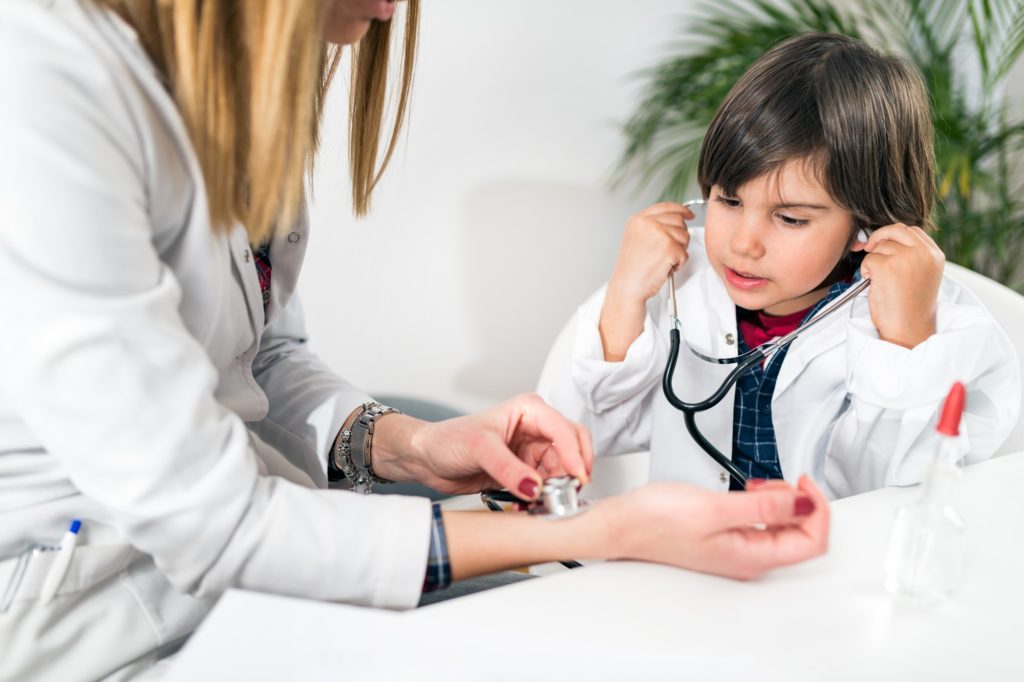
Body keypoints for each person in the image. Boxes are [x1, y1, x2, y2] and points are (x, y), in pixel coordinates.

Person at [0, 1, 830, 679]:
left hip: (254, 578)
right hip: (95, 618)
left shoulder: (233, 89)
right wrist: (601, 530)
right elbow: (217, 525)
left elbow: (258, 360)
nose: (396, 9)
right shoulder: (43, 83)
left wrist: (409, 444)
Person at [550, 32, 1021, 500]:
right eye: (728, 200)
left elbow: (903, 496)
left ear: (868, 220)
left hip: (834, 567)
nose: (743, 243)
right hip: (686, 559)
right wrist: (626, 296)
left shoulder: (948, 328)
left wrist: (905, 340)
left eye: (790, 218)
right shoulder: (675, 279)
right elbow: (591, 433)